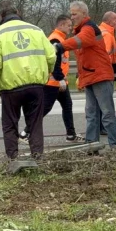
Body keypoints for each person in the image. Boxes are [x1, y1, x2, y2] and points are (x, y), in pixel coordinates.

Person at [0, 1, 56, 160]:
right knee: (35, 124)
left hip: (11, 89)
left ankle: (13, 159)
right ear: (17, 12)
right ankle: (38, 157)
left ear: (0, 16)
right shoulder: (36, 30)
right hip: (36, 86)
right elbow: (51, 55)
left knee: (10, 125)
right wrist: (48, 72)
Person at [54, 1, 116, 149]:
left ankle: (115, 147)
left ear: (84, 14)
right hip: (91, 75)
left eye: (74, 14)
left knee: (107, 114)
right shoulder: (81, 29)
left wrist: (60, 46)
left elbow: (80, 41)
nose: (71, 17)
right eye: (71, 14)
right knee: (91, 113)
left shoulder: (89, 28)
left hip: (100, 76)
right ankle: (91, 146)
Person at [20, 15, 84, 143]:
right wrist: (59, 78)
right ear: (61, 25)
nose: (70, 28)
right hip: (53, 82)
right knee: (44, 108)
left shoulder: (60, 38)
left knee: (67, 106)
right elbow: (54, 61)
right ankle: (25, 133)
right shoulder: (55, 39)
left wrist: (62, 79)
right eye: (68, 25)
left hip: (59, 81)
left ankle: (71, 134)